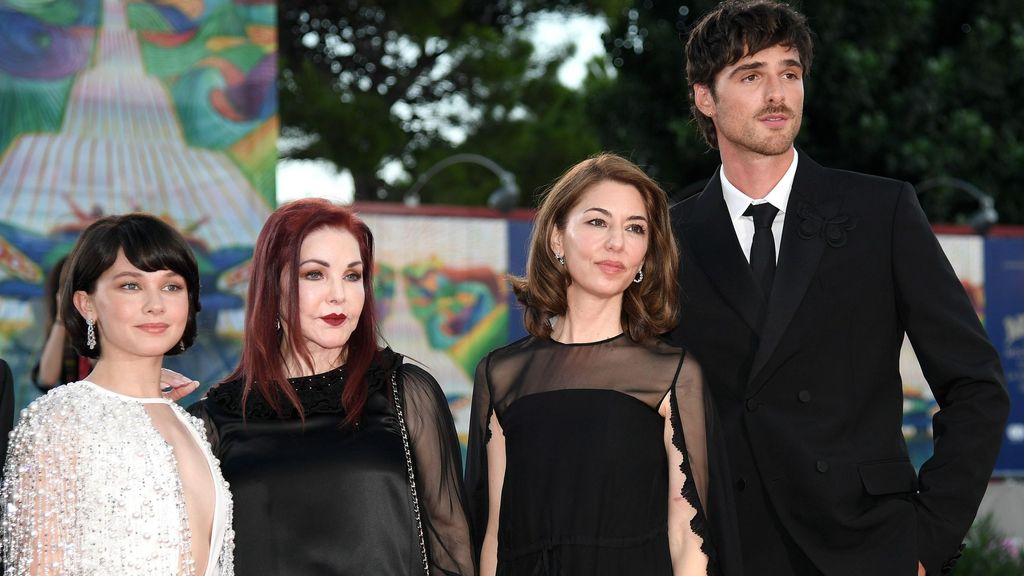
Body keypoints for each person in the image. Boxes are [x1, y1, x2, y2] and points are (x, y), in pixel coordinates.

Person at [667, 2, 1011, 575]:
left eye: (790, 72)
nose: (777, 93)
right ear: (705, 96)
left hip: (866, 545)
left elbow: (976, 385)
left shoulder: (882, 211)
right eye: (751, 75)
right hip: (723, 550)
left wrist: (926, 542)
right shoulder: (669, 236)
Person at [466, 153, 740, 576]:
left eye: (635, 228)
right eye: (597, 222)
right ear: (557, 238)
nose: (617, 243)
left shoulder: (669, 373)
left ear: (646, 254)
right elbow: (495, 536)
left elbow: (688, 535)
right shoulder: (501, 376)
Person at [188, 198, 474, 575]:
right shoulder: (214, 418)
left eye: (352, 276)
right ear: (273, 287)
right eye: (314, 274)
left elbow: (450, 541)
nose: (338, 294)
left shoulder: (404, 391)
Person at [1, 213, 234, 575]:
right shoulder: (57, 422)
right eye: (131, 285)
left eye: (171, 286)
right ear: (86, 304)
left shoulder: (192, 426)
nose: (155, 303)